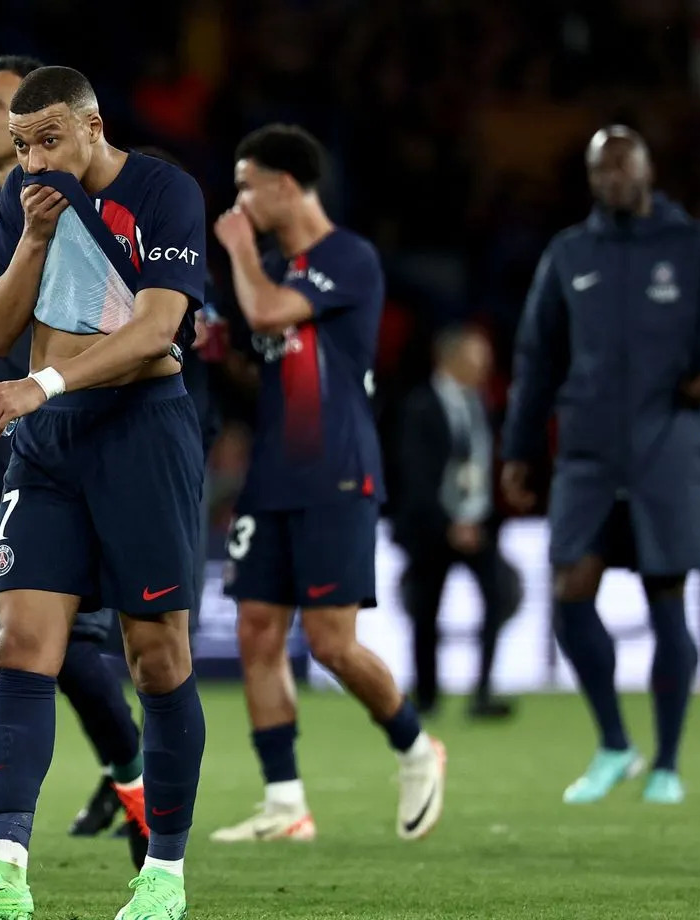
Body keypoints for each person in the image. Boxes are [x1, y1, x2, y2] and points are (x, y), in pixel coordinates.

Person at [0, 66, 207, 920]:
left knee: (159, 658)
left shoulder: (162, 192)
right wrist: (33, 240)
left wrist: (44, 388)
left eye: (48, 141)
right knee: (20, 643)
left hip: (141, 433)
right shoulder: (23, 200)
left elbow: (156, 329)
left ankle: (164, 877)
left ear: (91, 126)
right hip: (48, 450)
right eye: (25, 144)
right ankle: (3, 867)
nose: (34, 158)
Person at [501, 125, 700, 805]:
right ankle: (614, 744)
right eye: (601, 171)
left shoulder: (692, 247)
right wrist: (519, 448)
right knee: (570, 591)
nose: (613, 181)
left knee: (667, 598)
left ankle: (666, 762)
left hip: (669, 448)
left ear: (648, 171)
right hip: (589, 454)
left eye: (623, 169)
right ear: (590, 178)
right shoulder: (571, 253)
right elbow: (536, 358)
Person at [209, 123, 445, 844]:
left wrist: (239, 249)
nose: (240, 200)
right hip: (275, 472)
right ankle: (285, 804)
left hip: (336, 471)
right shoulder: (274, 265)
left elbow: (272, 313)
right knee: (257, 633)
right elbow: (265, 350)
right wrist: (221, 348)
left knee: (333, 642)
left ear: (286, 185)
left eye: (248, 185)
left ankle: (414, 744)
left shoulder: (347, 257)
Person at [393, 326, 519, 720]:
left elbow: (482, 462)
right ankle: (427, 695)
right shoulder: (419, 406)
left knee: (498, 597)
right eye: (476, 356)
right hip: (431, 527)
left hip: (477, 522)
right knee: (426, 609)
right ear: (449, 359)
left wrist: (478, 516)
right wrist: (447, 522)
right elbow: (413, 472)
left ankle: (483, 691)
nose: (485, 365)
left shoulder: (481, 403)